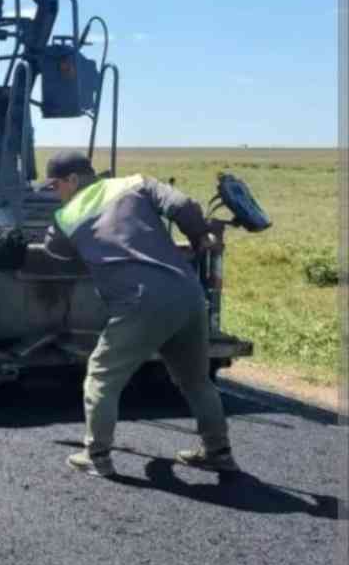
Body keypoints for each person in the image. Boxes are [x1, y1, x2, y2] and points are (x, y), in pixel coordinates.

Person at [38, 150, 238, 479]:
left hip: (140, 301)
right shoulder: (136, 183)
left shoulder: (67, 215)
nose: (55, 192)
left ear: (72, 180)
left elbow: (56, 252)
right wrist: (200, 236)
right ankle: (218, 452)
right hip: (188, 294)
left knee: (102, 375)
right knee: (196, 380)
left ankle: (97, 454)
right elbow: (183, 206)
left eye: (55, 186)